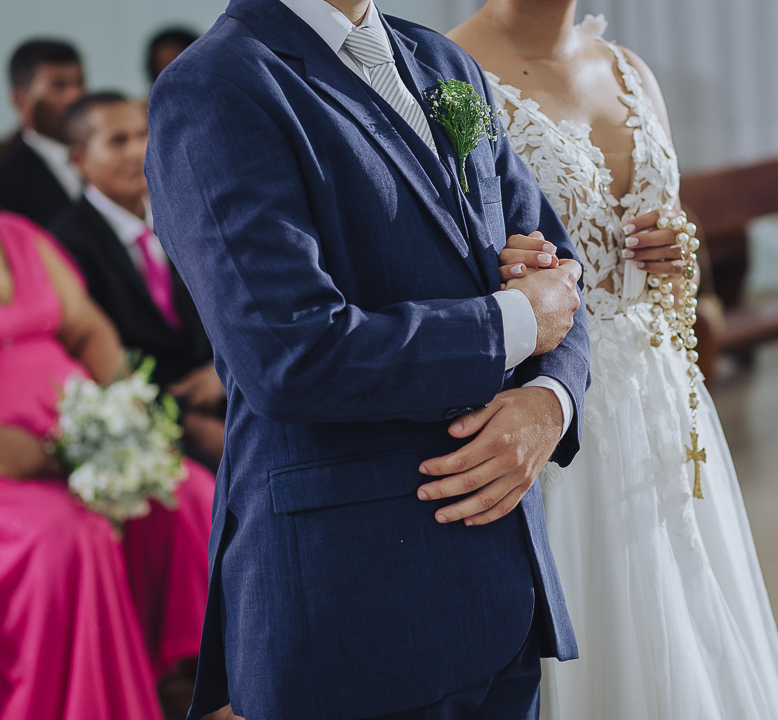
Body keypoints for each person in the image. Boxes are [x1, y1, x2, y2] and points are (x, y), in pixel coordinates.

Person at [144, 0, 591, 718]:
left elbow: (557, 274)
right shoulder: (216, 86)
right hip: (354, 599)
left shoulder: (442, 61)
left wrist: (550, 402)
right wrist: (513, 323)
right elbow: (292, 355)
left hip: (503, 586)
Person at [449, 6, 778, 719]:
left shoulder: (628, 68)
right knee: (597, 605)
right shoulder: (451, 77)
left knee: (689, 612)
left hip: (664, 392)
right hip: (557, 398)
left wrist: (679, 248)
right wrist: (503, 269)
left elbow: (675, 236)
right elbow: (445, 253)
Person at [0, 211, 218, 720]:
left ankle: (205, 685)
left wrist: (124, 415)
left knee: (186, 491)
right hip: (12, 475)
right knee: (70, 538)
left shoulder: (20, 236)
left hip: (81, 444)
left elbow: (88, 328)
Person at [50, 92, 224, 467]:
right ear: (79, 159)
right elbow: (90, 361)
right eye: (118, 141)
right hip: (142, 423)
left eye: (142, 134)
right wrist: (187, 423)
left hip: (224, 390)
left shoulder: (185, 210)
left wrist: (221, 372)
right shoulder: (62, 245)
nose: (136, 151)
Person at [0, 40, 85, 226]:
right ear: (21, 100)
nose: (76, 95)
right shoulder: (6, 178)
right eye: (59, 86)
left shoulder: (105, 155)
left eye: (80, 82)